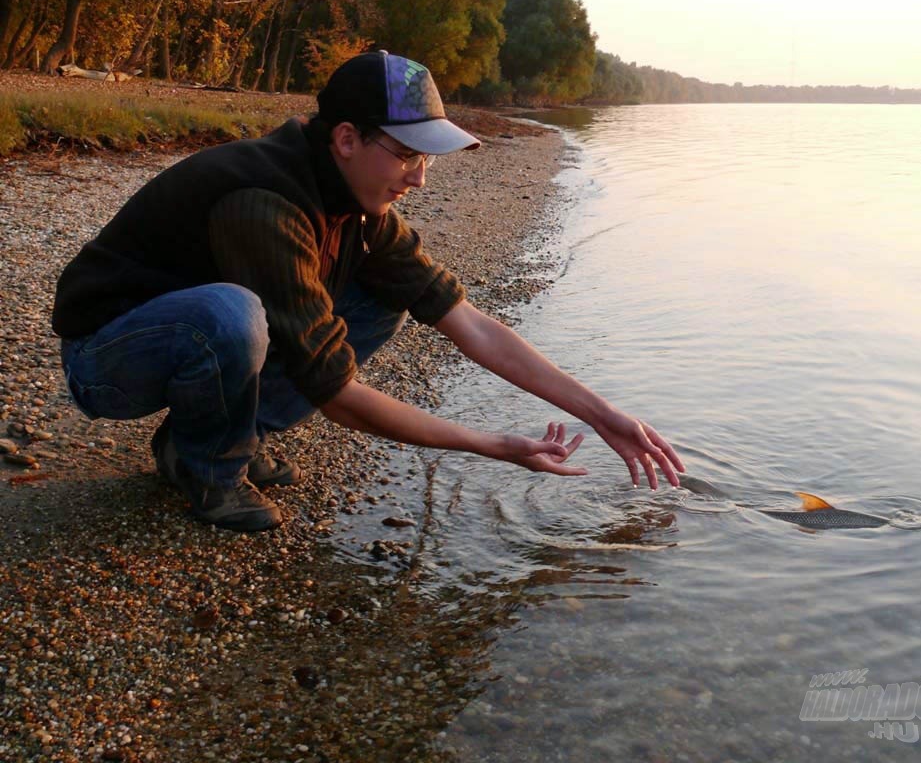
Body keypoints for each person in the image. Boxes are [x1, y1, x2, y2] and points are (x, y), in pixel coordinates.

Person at [52, 51, 684, 533]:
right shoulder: (265, 205)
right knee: (232, 313)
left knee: (384, 298)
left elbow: (470, 323)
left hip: (190, 339)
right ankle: (209, 464)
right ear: (347, 139)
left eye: (427, 157)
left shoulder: (358, 206)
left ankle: (214, 437)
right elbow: (338, 398)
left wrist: (602, 415)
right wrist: (495, 446)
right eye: (408, 153)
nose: (421, 178)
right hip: (109, 357)